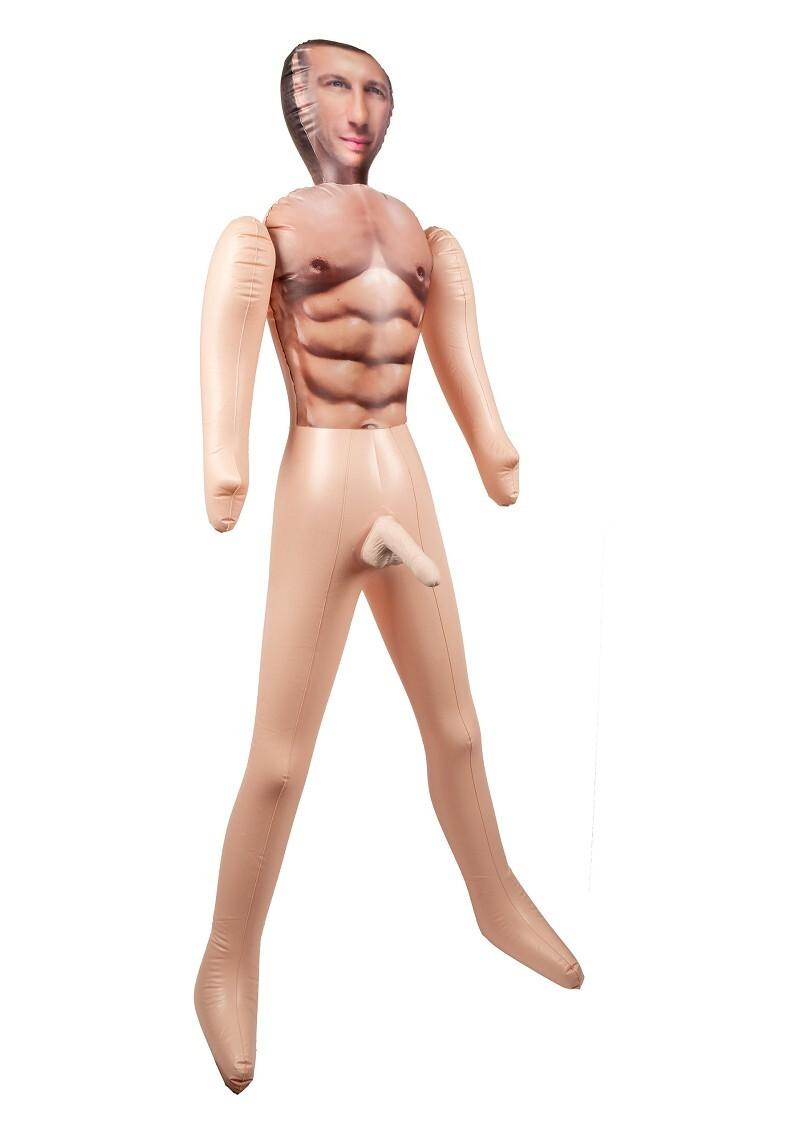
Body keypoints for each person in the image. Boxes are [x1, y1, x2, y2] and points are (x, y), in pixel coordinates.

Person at [195, 37, 583, 1095]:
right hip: (321, 472)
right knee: (281, 755)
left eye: (374, 88)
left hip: (401, 468)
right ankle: (226, 958)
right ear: (297, 104)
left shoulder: (421, 235)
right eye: (335, 84)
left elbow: (455, 346)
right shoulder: (266, 232)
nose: (358, 105)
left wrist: (492, 445)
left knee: (457, 727)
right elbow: (230, 342)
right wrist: (224, 457)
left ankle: (494, 896)